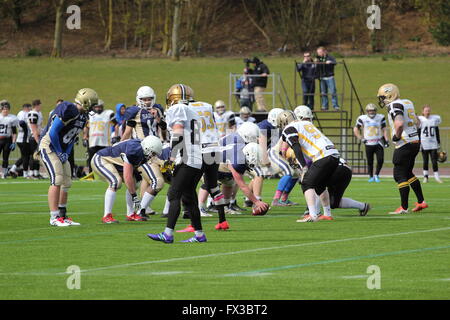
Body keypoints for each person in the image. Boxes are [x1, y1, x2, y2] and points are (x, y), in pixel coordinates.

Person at [147, 84, 207, 243]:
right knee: (189, 198)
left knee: (173, 195)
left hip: (185, 159)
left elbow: (178, 132)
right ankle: (200, 235)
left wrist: (172, 158)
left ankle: (168, 234)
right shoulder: (193, 112)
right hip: (197, 160)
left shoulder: (177, 109)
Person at [39, 88, 98, 226]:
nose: (94, 107)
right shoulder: (69, 108)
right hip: (49, 146)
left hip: (61, 148)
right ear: (85, 102)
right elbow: (53, 132)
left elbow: (72, 139)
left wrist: (66, 152)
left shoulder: (83, 116)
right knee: (57, 179)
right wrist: (60, 151)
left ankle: (62, 214)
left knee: (67, 182)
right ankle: (54, 217)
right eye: (92, 103)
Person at [279, 109, 340, 222]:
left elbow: (296, 147)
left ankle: (312, 215)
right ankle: (327, 214)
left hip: (322, 155)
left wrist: (304, 166)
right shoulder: (306, 123)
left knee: (306, 183)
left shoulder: (289, 129)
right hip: (334, 154)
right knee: (320, 186)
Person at [377, 83, 427, 214]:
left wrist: (396, 136)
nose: (382, 100)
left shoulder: (394, 105)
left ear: (389, 95)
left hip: (404, 143)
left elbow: (399, 123)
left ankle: (403, 208)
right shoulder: (407, 102)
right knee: (408, 173)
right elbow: (418, 122)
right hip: (415, 141)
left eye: (383, 97)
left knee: (399, 174)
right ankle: (421, 202)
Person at [91, 136, 163, 223]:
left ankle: (131, 214)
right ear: (148, 148)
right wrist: (134, 196)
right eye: (153, 153)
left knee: (135, 183)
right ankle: (107, 215)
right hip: (101, 159)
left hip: (116, 164)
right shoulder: (134, 150)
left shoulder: (142, 149)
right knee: (116, 182)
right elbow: (127, 176)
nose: (153, 156)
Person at [121, 86, 167, 218]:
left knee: (147, 179)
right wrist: (121, 143)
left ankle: (143, 208)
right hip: (140, 149)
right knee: (138, 181)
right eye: (144, 99)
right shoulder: (134, 111)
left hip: (155, 148)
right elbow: (128, 131)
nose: (147, 102)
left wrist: (158, 119)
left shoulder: (158, 109)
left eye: (149, 99)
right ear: (139, 99)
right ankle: (134, 210)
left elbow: (163, 129)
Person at [353, 103, 389, 182]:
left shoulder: (380, 117)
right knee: (370, 161)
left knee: (380, 160)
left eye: (373, 111)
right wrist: (361, 138)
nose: (371, 112)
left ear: (375, 111)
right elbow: (355, 129)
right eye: (370, 111)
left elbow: (384, 129)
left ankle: (376, 175)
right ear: (367, 111)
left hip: (378, 142)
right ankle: (371, 176)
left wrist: (386, 140)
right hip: (368, 143)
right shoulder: (362, 118)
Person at [83, 99, 116, 173]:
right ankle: (92, 175)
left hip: (105, 142)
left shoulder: (108, 114)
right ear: (94, 107)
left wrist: (115, 136)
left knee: (105, 160)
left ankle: (106, 174)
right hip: (93, 142)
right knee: (91, 159)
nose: (98, 108)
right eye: (96, 107)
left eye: (100, 107)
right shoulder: (90, 115)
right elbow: (86, 127)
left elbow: (116, 125)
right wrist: (84, 137)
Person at [418, 105, 443, 183]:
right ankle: (425, 177)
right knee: (425, 161)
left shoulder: (434, 119)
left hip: (433, 143)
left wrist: (438, 142)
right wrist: (419, 143)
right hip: (424, 142)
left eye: (428, 110)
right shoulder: (420, 120)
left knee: (434, 160)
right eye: (426, 111)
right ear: (423, 112)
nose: (427, 112)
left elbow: (436, 130)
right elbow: (418, 132)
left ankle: (437, 176)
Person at [9, 103, 31, 178]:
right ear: (26, 108)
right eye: (29, 108)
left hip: (21, 138)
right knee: (26, 157)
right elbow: (22, 124)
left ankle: (13, 168)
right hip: (23, 138)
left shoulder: (20, 114)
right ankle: (25, 173)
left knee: (24, 156)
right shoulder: (23, 114)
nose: (30, 109)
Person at [316, 46, 339, 111]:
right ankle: (324, 106)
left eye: (319, 52)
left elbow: (335, 62)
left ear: (324, 51)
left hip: (330, 77)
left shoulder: (330, 57)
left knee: (333, 91)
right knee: (323, 92)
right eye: (318, 53)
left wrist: (330, 62)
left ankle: (335, 106)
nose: (318, 54)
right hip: (322, 78)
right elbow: (317, 67)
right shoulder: (319, 58)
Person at [0, 100, 18, 179]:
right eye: (4, 109)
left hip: (7, 139)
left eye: (7, 109)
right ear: (1, 109)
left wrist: (14, 142)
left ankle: (4, 173)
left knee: (5, 157)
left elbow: (14, 132)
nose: (6, 110)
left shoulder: (12, 118)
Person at [27, 99, 44, 179]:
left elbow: (39, 126)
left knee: (38, 155)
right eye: (40, 105)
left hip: (38, 136)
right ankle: (32, 172)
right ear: (37, 105)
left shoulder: (38, 113)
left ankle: (37, 173)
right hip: (34, 137)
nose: (41, 106)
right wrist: (37, 139)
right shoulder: (33, 113)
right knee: (33, 155)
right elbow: (33, 128)